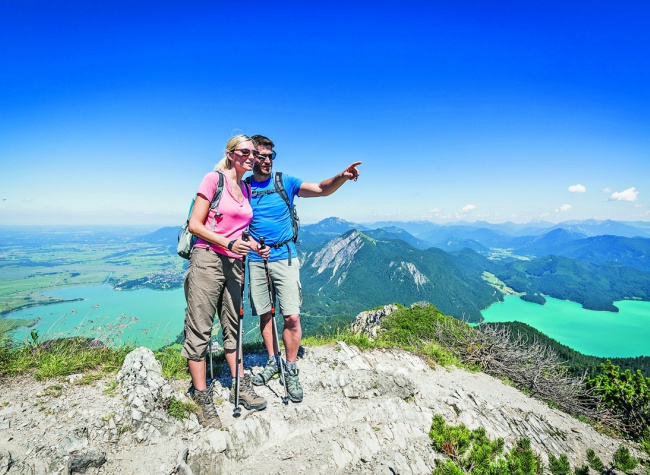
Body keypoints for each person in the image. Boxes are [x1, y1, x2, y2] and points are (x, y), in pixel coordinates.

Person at [247, 134, 361, 402]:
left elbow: (321, 188)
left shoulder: (284, 182)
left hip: (284, 256)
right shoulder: (243, 188)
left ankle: (290, 367)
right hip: (255, 259)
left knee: (292, 317)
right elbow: (235, 223)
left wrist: (342, 176)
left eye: (270, 156)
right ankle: (273, 361)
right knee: (264, 315)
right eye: (261, 156)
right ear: (252, 157)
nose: (266, 161)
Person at [182, 134, 270, 428]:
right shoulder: (212, 179)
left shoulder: (245, 187)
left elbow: (240, 230)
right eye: (245, 151)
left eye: (254, 153)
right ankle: (202, 395)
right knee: (200, 325)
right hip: (207, 258)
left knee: (234, 324)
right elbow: (196, 224)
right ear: (231, 153)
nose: (251, 156)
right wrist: (227, 244)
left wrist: (256, 245)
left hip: (235, 263)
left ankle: (239, 383)